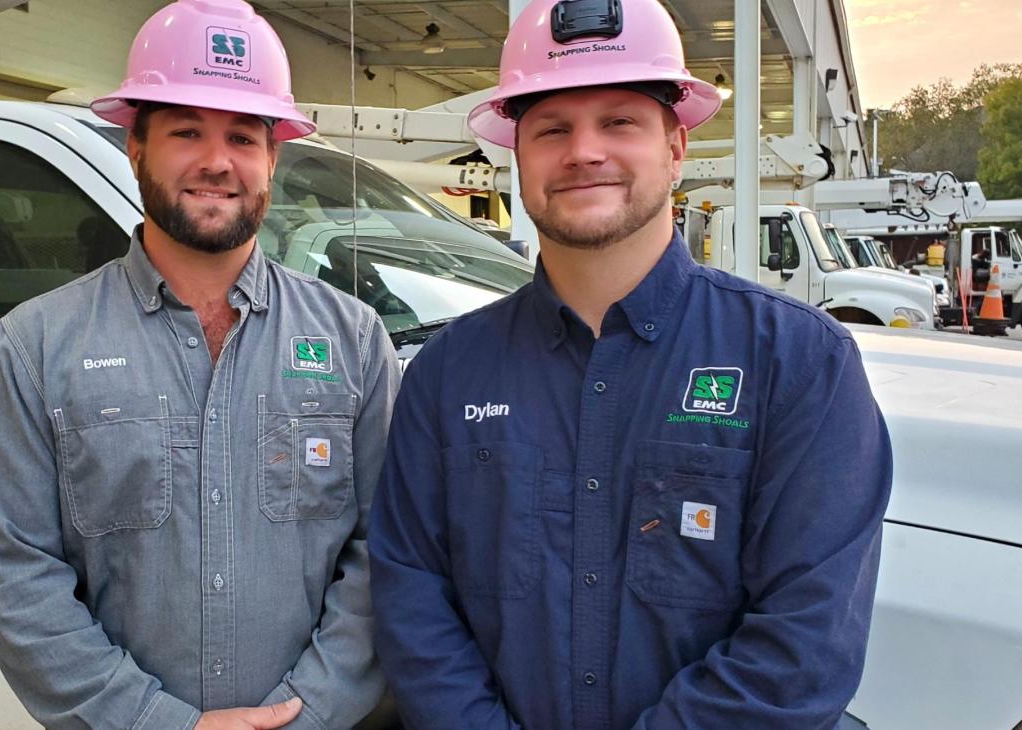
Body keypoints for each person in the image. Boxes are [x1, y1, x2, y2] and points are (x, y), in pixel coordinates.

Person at [368, 0, 894, 726]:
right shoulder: (447, 374)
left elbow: (805, 642)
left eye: (619, 121)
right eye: (552, 128)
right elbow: (412, 599)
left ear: (676, 148)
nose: (584, 150)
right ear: (516, 156)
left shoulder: (799, 363)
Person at [0, 1, 397, 727]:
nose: (216, 161)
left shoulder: (354, 341)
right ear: (135, 146)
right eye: (186, 131)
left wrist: (310, 713)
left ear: (272, 158)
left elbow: (386, 552)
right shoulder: (35, 348)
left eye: (242, 135)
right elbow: (17, 575)